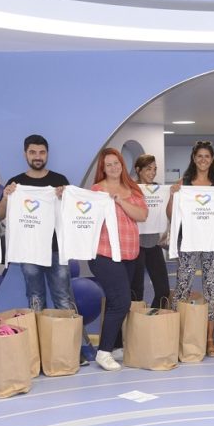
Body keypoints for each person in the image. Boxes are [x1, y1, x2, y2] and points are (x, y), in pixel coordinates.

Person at [88, 148, 148, 371]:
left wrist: (121, 201)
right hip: (104, 253)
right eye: (108, 164)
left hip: (130, 253)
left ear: (122, 164)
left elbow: (142, 215)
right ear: (102, 168)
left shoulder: (132, 188)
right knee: (121, 301)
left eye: (116, 163)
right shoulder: (96, 191)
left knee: (117, 301)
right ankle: (103, 352)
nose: (113, 167)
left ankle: (115, 346)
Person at [0, 135, 73, 311]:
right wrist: (7, 198)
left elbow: (72, 215)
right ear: (25, 154)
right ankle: (38, 330)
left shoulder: (59, 181)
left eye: (42, 152)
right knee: (35, 298)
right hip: (28, 250)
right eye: (33, 152)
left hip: (56, 249)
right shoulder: (16, 184)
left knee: (63, 298)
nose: (37, 156)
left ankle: (67, 330)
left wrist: (65, 198)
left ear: (47, 154)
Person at [167, 140, 214, 357]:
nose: (203, 160)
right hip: (189, 241)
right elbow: (171, 215)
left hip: (212, 243)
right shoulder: (184, 184)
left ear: (212, 159)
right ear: (193, 158)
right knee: (182, 287)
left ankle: (209, 339)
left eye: (207, 156)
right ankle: (177, 335)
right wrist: (173, 195)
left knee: (212, 289)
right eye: (199, 156)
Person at [131, 154, 170, 309]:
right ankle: (134, 322)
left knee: (163, 290)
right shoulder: (130, 189)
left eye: (154, 169)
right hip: (135, 245)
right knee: (136, 292)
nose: (153, 173)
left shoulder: (159, 189)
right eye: (148, 169)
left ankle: (152, 318)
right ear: (138, 170)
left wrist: (172, 194)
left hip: (154, 243)